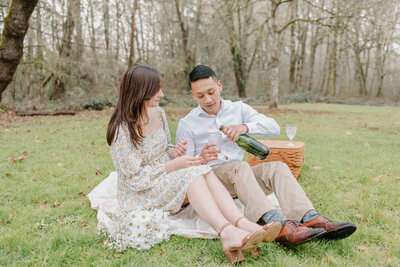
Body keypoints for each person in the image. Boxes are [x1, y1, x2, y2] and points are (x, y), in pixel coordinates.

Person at [105, 64, 282, 263]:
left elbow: (162, 149)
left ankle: (243, 224)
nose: (162, 94)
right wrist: (172, 165)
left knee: (201, 168)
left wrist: (173, 152)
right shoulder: (121, 131)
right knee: (192, 173)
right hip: (141, 193)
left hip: (163, 179)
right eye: (157, 89)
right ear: (140, 91)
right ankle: (226, 232)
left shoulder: (158, 113)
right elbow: (133, 180)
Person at [176, 65, 357, 246]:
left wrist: (244, 127)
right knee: (239, 167)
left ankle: (310, 218)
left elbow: (273, 128)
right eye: (200, 96)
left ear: (220, 86)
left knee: (276, 167)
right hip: (213, 180)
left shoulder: (238, 109)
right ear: (192, 95)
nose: (207, 99)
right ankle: (278, 224)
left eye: (211, 92)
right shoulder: (187, 124)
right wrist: (201, 157)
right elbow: (184, 172)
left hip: (241, 177)